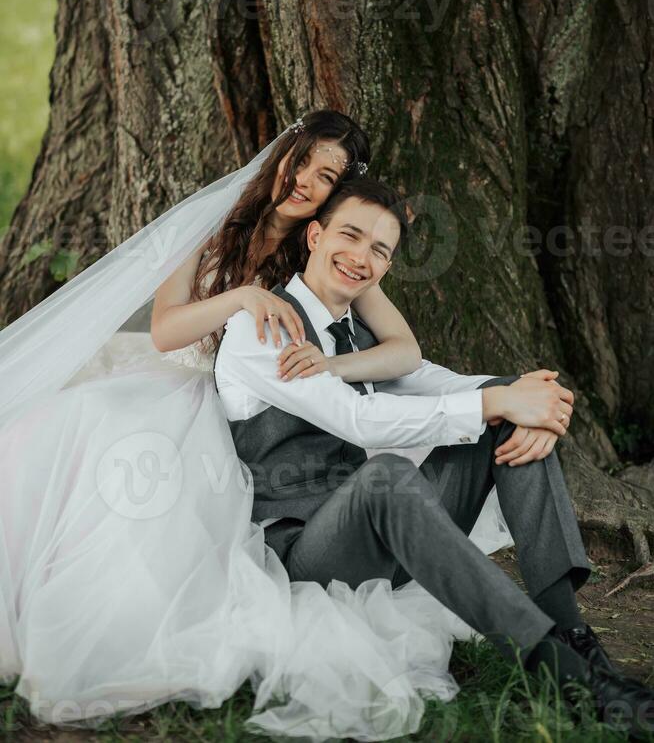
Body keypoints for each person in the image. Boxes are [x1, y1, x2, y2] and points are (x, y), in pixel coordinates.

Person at [215, 177, 654, 741]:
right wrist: (497, 401)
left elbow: (431, 381)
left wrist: (527, 397)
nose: (361, 258)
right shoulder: (264, 327)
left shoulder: (356, 332)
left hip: (383, 540)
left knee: (501, 401)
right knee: (390, 473)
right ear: (316, 236)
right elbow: (357, 420)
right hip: (306, 553)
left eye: (379, 250)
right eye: (350, 235)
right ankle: (554, 668)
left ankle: (575, 639)